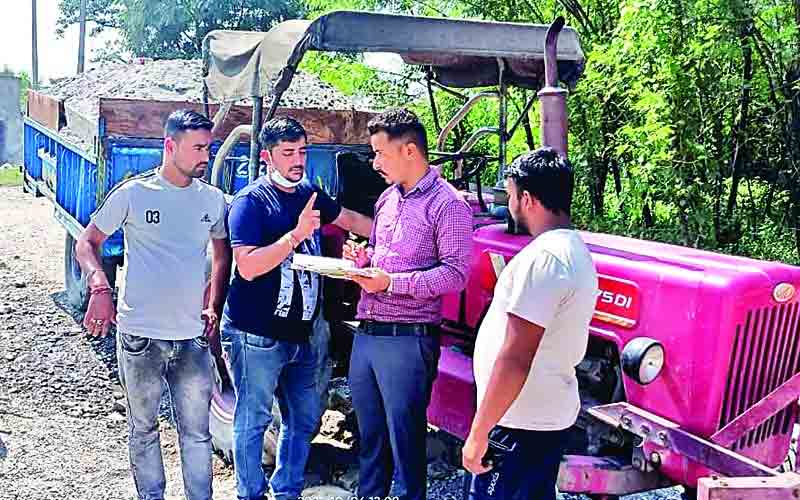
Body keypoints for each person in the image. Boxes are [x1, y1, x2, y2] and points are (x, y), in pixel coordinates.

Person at [75, 109, 231, 500]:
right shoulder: (134, 194)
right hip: (140, 338)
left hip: (193, 339)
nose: (205, 157)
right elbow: (87, 242)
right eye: (197, 148)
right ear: (170, 146)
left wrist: (213, 302)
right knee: (143, 429)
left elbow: (222, 254)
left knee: (197, 433)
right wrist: (99, 287)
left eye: (208, 149)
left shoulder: (212, 200)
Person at [221, 117, 372, 500]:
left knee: (304, 418)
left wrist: (396, 235)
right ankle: (250, 494)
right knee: (253, 420)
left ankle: (286, 490)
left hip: (303, 332)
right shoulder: (250, 202)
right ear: (268, 157)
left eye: (302, 151)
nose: (297, 160)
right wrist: (296, 236)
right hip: (256, 334)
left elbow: (350, 219)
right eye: (288, 153)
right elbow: (248, 266)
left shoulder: (309, 193)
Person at [343, 108, 473, 500]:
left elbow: (455, 274)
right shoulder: (387, 199)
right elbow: (383, 255)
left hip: (408, 338)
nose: (375, 162)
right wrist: (363, 260)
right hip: (368, 331)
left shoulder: (448, 205)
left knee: (405, 442)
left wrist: (391, 283)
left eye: (380, 153)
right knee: (370, 439)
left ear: (410, 151)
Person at [461, 147, 598, 500]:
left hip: (518, 424)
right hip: (538, 420)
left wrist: (479, 432)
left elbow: (516, 357)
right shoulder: (574, 251)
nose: (509, 205)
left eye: (510, 196)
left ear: (528, 199)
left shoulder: (546, 259)